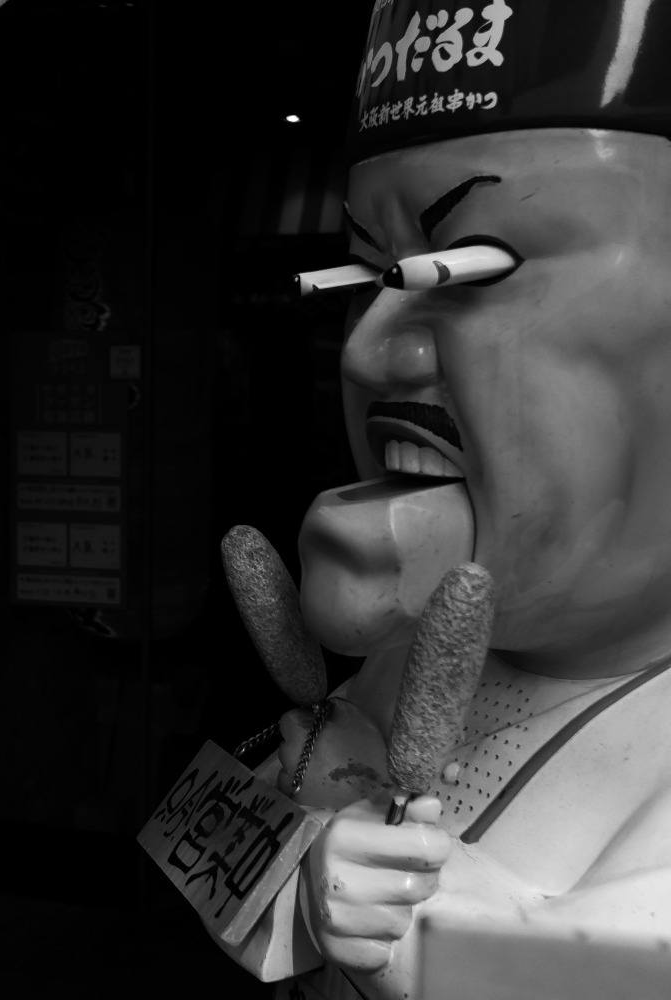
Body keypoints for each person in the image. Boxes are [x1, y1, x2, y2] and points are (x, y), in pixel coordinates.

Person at [219, 2, 671, 997]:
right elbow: (220, 861)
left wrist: (413, 937)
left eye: (467, 271)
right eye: (367, 276)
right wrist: (308, 850)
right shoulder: (398, 663)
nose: (367, 350)